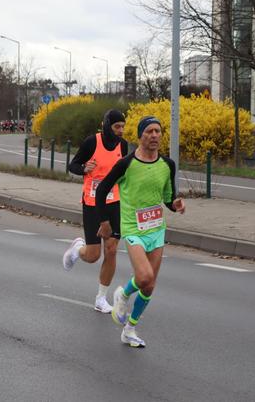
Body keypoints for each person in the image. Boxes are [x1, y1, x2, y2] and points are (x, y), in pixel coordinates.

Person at [96, 116, 185, 348]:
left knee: (149, 285)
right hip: (133, 228)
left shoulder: (167, 165)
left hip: (156, 229)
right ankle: (122, 295)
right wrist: (105, 221)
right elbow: (102, 190)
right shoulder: (126, 163)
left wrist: (176, 205)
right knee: (144, 276)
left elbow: (168, 198)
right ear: (140, 136)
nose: (154, 135)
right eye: (149, 131)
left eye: (158, 131)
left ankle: (130, 329)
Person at [63, 110, 129, 313]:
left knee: (111, 249)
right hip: (92, 203)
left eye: (122, 127)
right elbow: (71, 165)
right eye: (117, 126)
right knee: (92, 256)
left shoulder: (123, 145)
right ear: (107, 125)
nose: (120, 130)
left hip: (114, 202)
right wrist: (84, 168)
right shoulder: (92, 142)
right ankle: (77, 250)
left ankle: (101, 298)